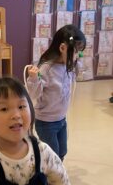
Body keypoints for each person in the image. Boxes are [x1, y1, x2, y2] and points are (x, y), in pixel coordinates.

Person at [25, 25, 86, 164]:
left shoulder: (68, 65)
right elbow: (33, 95)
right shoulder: (47, 68)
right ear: (63, 48)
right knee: (52, 155)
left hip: (61, 119)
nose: (77, 56)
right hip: (46, 122)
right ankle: (48, 180)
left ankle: (55, 174)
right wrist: (34, 79)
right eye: (76, 52)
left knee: (62, 151)